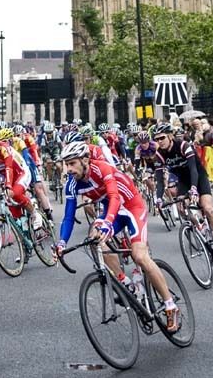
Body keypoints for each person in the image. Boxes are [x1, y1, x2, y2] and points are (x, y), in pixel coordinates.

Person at [56, 141, 180, 333]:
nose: (68, 169)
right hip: (112, 210)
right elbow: (68, 216)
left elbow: (114, 196)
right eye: (66, 164)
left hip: (131, 206)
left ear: (85, 160)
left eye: (72, 163)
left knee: (139, 256)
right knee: (93, 238)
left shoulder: (102, 168)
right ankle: (125, 283)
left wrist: (107, 222)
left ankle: (171, 305)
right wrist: (61, 243)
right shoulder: (72, 185)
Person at [152, 122, 213, 262]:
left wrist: (194, 189)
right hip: (183, 180)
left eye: (162, 138)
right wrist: (158, 199)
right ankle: (200, 228)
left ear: (170, 136)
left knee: (207, 208)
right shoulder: (159, 155)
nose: (159, 141)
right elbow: (159, 181)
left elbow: (193, 169)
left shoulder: (183, 146)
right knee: (182, 208)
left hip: (198, 177)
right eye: (156, 139)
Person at [0, 132, 42, 228]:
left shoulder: (3, 148)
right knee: (9, 201)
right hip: (8, 177)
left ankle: (35, 214)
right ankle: (23, 229)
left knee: (14, 193)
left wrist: (8, 185)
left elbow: (9, 167)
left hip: (21, 172)